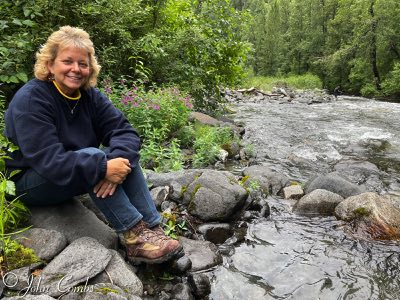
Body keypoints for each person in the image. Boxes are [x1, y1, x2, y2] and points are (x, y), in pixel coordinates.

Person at [4, 26, 182, 264]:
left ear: (90, 68)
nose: (76, 69)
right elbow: (49, 161)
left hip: (71, 173)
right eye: (67, 61)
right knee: (94, 158)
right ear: (50, 65)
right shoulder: (31, 100)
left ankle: (152, 229)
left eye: (82, 63)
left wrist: (112, 168)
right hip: (29, 181)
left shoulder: (90, 96)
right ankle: (134, 238)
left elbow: (125, 131)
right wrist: (102, 168)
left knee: (122, 155)